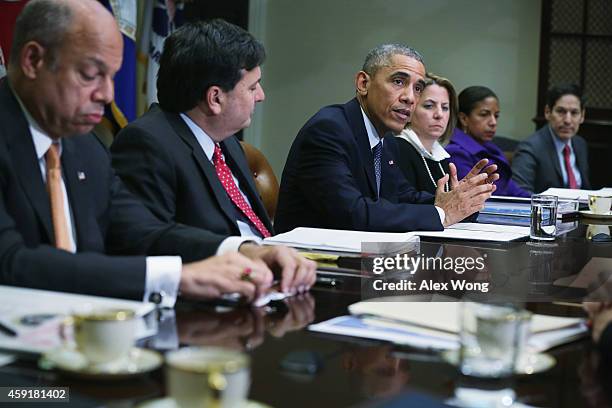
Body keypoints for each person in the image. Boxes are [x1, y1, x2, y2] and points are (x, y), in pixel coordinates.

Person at [0, 0, 308, 306]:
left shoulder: (83, 146)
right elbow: (11, 262)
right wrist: (175, 277)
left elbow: (141, 231)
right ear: (33, 60)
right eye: (91, 74)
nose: (107, 95)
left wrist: (242, 250)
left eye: (112, 76)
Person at [111, 20, 315, 295]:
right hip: (212, 299)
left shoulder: (225, 141)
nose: (261, 96)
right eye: (253, 87)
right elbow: (148, 242)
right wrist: (246, 254)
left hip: (273, 282)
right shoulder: (147, 144)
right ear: (215, 98)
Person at [275, 44, 498, 234]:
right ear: (363, 84)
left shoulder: (386, 138)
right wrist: (441, 214)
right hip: (309, 265)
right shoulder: (329, 129)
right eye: (398, 81)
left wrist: (454, 200)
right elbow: (352, 213)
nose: (410, 98)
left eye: (418, 88)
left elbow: (401, 196)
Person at [445, 86, 530, 198]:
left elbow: (513, 190)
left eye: (496, 116)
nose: (493, 122)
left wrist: (539, 202)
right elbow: (473, 199)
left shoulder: (491, 148)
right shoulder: (456, 153)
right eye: (484, 114)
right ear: (464, 119)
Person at [512, 84, 591, 194]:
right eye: (561, 111)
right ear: (548, 112)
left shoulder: (580, 144)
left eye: (574, 113)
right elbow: (520, 193)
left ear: (582, 116)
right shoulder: (530, 148)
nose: (568, 120)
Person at [395, 73, 455, 195]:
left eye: (445, 107)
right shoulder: (397, 149)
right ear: (410, 109)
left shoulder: (441, 157)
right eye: (429, 106)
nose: (439, 114)